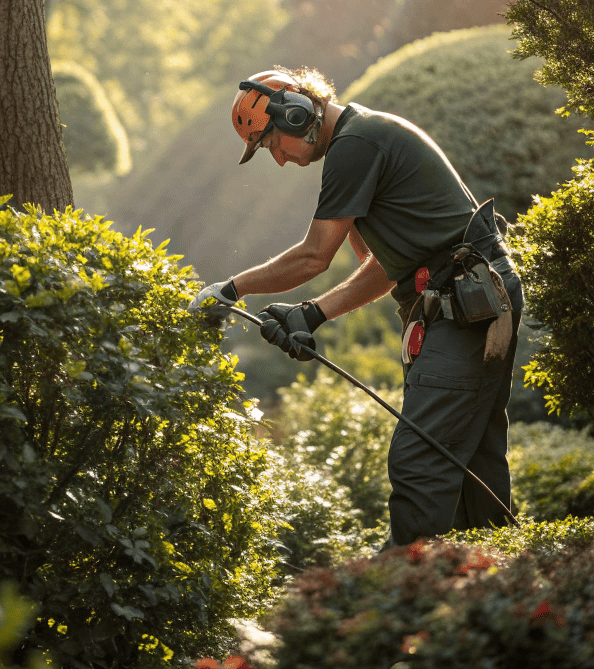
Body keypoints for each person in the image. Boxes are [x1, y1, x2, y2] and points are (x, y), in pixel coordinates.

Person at [187, 67, 524, 545]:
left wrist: (231, 289)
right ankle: (493, 585)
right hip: (473, 299)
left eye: (271, 143)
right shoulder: (359, 143)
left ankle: (402, 593)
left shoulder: (356, 144)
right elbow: (384, 269)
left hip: (468, 305)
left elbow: (313, 256)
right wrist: (311, 313)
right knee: (471, 457)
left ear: (296, 113)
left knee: (420, 459)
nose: (278, 160)